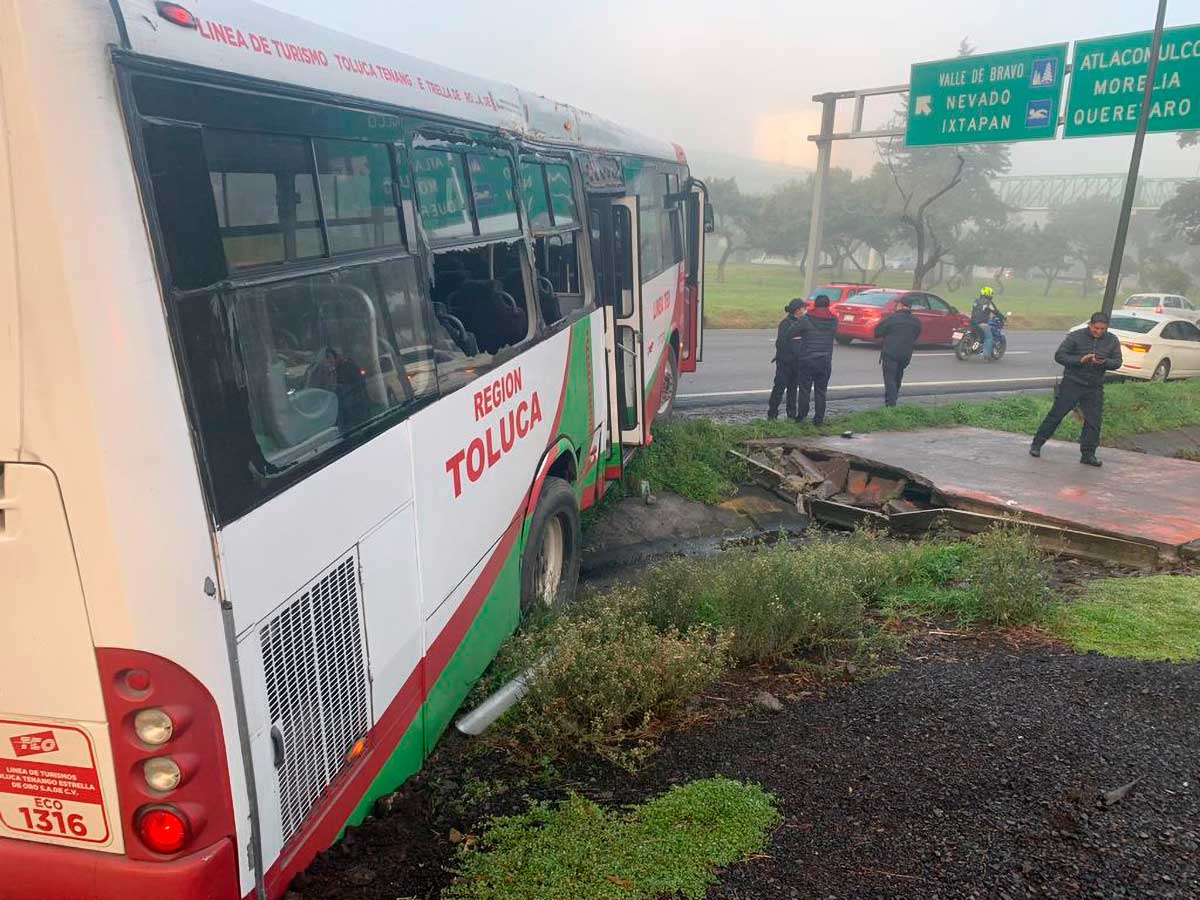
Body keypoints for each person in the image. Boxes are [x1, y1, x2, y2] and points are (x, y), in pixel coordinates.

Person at [1030, 312, 1123, 466]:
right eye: (1096, 328)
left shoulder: (1112, 340)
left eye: (1102, 329)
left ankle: (1088, 454)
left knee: (1094, 421)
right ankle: (1037, 444)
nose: (1098, 332)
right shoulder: (1076, 336)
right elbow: (1060, 356)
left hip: (1094, 386)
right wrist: (1080, 360)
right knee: (1056, 415)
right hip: (1072, 383)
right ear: (1090, 325)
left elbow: (1117, 362)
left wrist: (1104, 362)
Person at [795, 295, 838, 425]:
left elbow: (791, 332)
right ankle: (819, 419)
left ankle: (801, 416)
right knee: (821, 391)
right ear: (828, 305)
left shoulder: (806, 318)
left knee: (804, 389)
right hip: (825, 360)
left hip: (807, 359)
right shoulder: (834, 320)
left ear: (815, 305)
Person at [873, 296, 922, 407]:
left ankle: (891, 405)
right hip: (905, 355)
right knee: (898, 377)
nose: (896, 305)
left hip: (890, 353)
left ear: (901, 305)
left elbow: (877, 332)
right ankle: (893, 400)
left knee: (890, 378)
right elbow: (916, 335)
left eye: (897, 304)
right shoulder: (916, 321)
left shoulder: (892, 318)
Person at [767, 298, 806, 420]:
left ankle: (791, 415)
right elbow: (781, 344)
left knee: (793, 390)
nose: (804, 310)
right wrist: (789, 357)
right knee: (779, 388)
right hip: (785, 363)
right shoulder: (786, 323)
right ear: (797, 310)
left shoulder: (802, 322)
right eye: (803, 308)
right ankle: (772, 414)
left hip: (797, 363)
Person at [970, 286, 1001, 360]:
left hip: (972, 322)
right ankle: (987, 355)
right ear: (988, 294)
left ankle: (974, 346)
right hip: (982, 323)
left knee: (979, 335)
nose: (991, 296)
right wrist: (1001, 316)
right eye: (990, 294)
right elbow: (996, 311)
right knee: (989, 337)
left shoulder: (976, 301)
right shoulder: (988, 303)